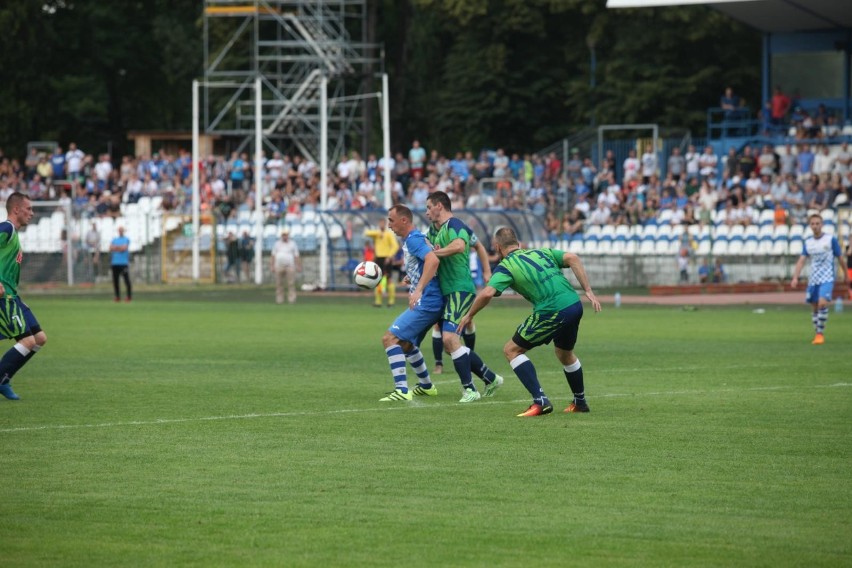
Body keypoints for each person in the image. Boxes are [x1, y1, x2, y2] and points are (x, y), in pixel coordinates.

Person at [458, 227, 601, 417]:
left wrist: (469, 315)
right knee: (564, 353)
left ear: (498, 247)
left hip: (552, 309)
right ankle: (580, 402)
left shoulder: (506, 265)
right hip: (574, 304)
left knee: (511, 350)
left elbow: (487, 292)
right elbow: (572, 258)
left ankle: (540, 401)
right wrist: (588, 290)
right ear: (517, 243)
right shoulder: (541, 252)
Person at [425, 191, 503, 402]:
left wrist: (432, 254)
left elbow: (460, 246)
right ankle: (491, 378)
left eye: (428, 207)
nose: (427, 212)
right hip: (447, 291)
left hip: (460, 289)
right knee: (451, 345)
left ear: (439, 206)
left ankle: (470, 389)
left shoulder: (456, 225)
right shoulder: (437, 231)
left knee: (449, 338)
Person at [378, 205, 443, 401]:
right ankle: (426, 386)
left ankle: (401, 390)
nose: (389, 225)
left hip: (429, 301)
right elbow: (426, 263)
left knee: (389, 339)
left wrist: (419, 288)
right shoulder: (414, 239)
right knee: (405, 344)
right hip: (430, 299)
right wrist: (413, 278)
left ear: (404, 220)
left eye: (391, 220)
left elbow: (433, 261)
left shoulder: (414, 239)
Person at [0, 193, 48, 400]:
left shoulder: (14, 234)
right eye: (28, 209)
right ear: (16, 209)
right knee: (27, 341)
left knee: (39, 339)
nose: (32, 213)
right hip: (4, 298)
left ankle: (4, 378)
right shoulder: (7, 228)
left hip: (13, 296)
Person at [790, 214, 848, 345]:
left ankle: (819, 334)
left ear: (821, 225)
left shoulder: (830, 240)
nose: (815, 226)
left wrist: (846, 274)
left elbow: (840, 258)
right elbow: (801, 261)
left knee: (822, 303)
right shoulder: (808, 242)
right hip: (814, 278)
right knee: (815, 308)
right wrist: (795, 277)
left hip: (827, 277)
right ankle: (817, 332)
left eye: (817, 223)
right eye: (812, 224)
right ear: (810, 226)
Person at [363, 218, 400, 308]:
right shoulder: (377, 234)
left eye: (383, 223)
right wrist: (378, 232)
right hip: (378, 258)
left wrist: (390, 256)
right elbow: (366, 233)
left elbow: (395, 246)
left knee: (389, 279)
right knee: (378, 279)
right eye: (380, 223)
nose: (382, 224)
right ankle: (378, 301)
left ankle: (391, 301)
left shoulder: (389, 234)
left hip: (386, 258)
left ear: (386, 224)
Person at [271, 229, 301, 304]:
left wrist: (298, 265)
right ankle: (279, 299)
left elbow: (296, 255)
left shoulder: (293, 244)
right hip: (279, 265)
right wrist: (272, 265)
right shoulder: (277, 244)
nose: (285, 236)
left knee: (291, 283)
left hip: (290, 266)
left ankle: (292, 299)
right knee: (279, 283)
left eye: (286, 235)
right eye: (283, 235)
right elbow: (273, 255)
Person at [110, 226, 132, 302]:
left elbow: (124, 249)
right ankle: (117, 297)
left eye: (122, 230)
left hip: (123, 263)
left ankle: (129, 297)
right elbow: (110, 248)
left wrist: (116, 248)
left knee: (127, 281)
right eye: (119, 230)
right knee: (115, 281)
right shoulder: (114, 239)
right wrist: (119, 248)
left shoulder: (126, 239)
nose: (120, 232)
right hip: (115, 263)